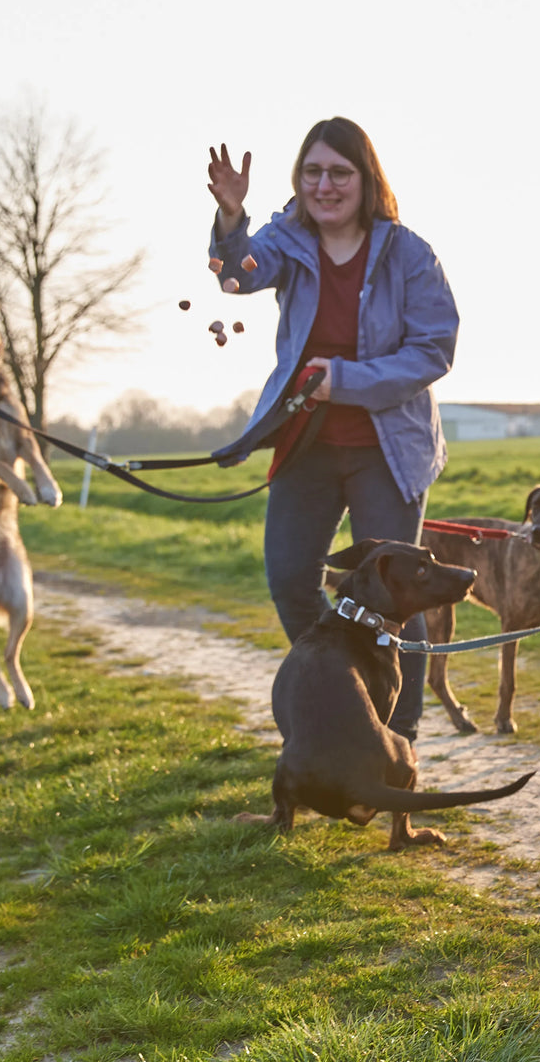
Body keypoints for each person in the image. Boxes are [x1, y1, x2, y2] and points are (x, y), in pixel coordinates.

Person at [204, 117, 459, 742]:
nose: (325, 185)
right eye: (312, 172)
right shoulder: (286, 239)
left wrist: (340, 379)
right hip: (306, 441)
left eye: (339, 173)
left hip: (387, 447)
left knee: (399, 595)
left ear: (365, 179)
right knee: (291, 579)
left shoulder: (409, 253)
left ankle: (398, 741)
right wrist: (233, 216)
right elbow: (237, 275)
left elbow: (434, 351)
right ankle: (346, 688)